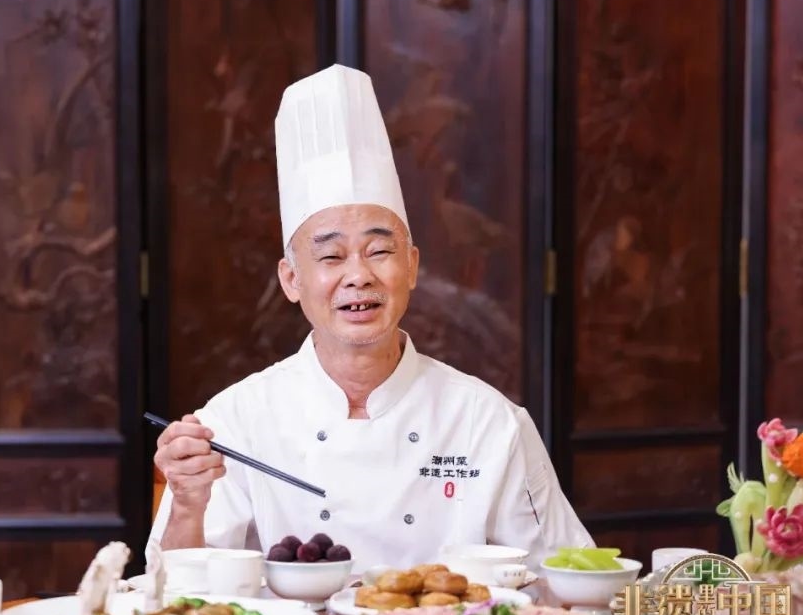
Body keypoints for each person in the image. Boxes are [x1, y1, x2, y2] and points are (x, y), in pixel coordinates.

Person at [148, 64, 592, 571]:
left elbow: (567, 579)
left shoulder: (488, 423)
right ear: (291, 280)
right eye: (331, 256)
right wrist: (188, 504)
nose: (358, 276)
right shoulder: (234, 422)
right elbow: (174, 594)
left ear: (412, 266)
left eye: (379, 251)